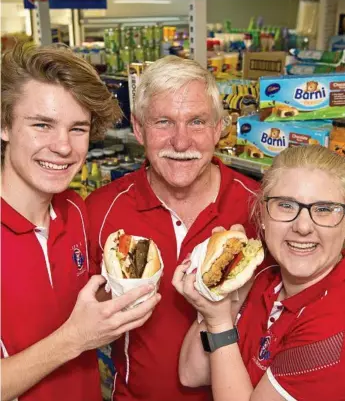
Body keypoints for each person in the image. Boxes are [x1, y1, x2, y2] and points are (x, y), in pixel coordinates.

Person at [86, 55, 260, 401]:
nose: (181, 143)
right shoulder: (100, 210)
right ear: (138, 129)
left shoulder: (259, 209)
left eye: (196, 122)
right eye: (163, 122)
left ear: (218, 128)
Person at [1, 42, 161, 401]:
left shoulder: (75, 209)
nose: (63, 147)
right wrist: (75, 338)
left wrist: (129, 287)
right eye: (42, 124)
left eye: (77, 128)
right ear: (4, 125)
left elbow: (80, 302)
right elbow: (78, 333)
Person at [173, 145, 345, 401]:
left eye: (324, 209)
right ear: (262, 215)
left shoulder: (335, 328)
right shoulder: (265, 275)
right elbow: (192, 372)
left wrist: (220, 324)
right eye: (286, 205)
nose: (303, 226)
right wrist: (217, 292)